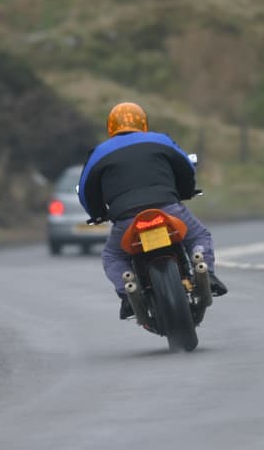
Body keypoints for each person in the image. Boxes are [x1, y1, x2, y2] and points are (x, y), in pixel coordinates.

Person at [78, 102, 227, 319]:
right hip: (168, 208)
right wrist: (185, 191)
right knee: (198, 235)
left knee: (112, 255)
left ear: (111, 128)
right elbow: (185, 167)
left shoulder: (99, 153)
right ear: (143, 123)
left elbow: (85, 191)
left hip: (127, 218)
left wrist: (98, 213)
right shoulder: (160, 140)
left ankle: (126, 293)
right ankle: (206, 271)